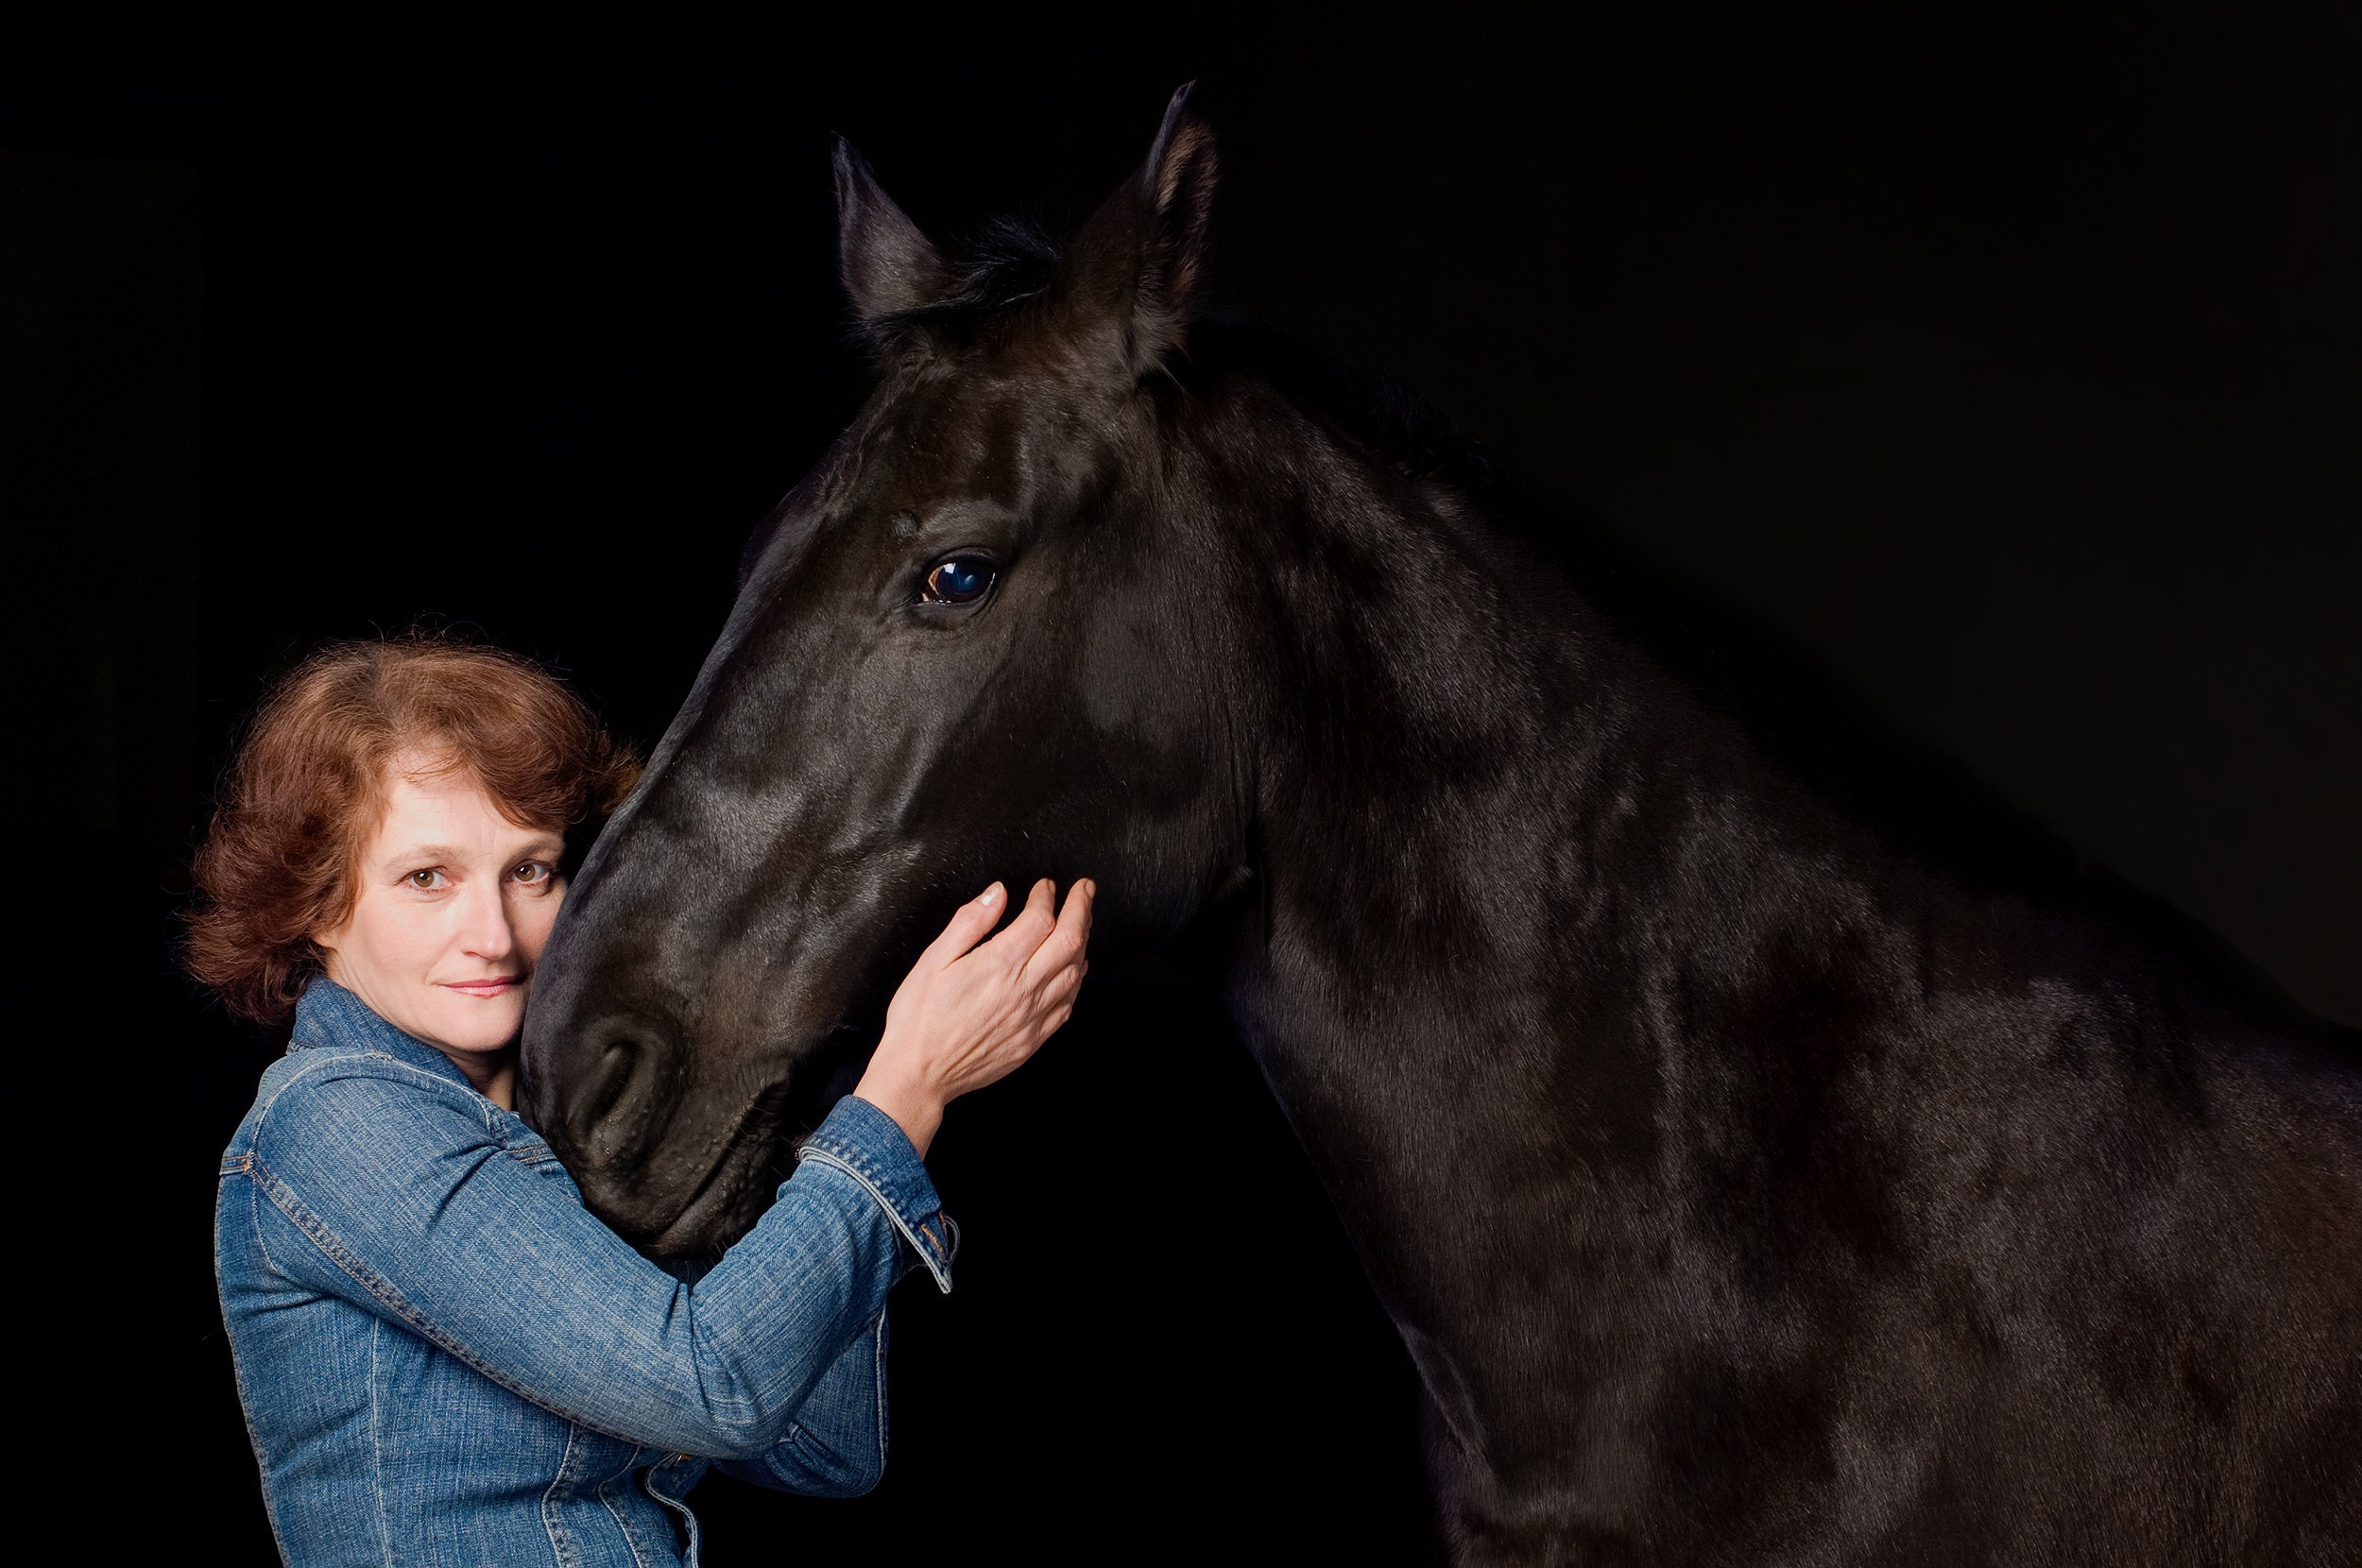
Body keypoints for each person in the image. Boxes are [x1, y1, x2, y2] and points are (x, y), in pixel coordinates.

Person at [192, 635, 1091, 1566]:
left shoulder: (546, 1131)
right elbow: (711, 1387)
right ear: (321, 905)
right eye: (429, 878)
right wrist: (908, 1085)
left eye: (529, 870)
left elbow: (824, 1450)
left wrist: (797, 1081)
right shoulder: (337, 1120)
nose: (493, 935)